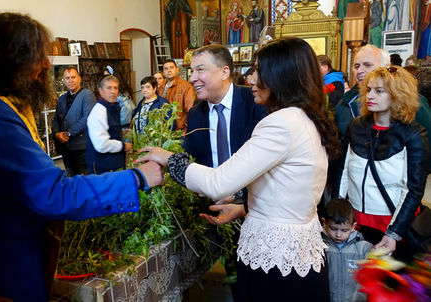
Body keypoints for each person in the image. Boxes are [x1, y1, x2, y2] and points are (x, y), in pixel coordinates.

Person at [137, 38, 339, 301]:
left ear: (280, 76)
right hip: (293, 248)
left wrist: (170, 159)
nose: (251, 78)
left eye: (257, 70)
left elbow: (218, 183)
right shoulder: (302, 116)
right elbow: (286, 190)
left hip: (276, 262)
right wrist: (246, 207)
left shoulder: (280, 123)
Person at [0, 12, 163, 302]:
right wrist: (137, 177)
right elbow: (53, 193)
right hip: (6, 263)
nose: (45, 65)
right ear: (11, 60)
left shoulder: (0, 105)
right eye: (38, 57)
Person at [183, 44, 267, 300]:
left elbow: (267, 162)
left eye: (200, 69)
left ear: (224, 71)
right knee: (235, 279)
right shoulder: (196, 114)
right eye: (190, 71)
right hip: (218, 213)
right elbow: (195, 162)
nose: (192, 77)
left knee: (258, 281)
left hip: (256, 209)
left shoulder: (254, 102)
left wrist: (240, 194)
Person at [337, 66, 429, 258]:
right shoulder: (356, 126)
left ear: (397, 95)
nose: (370, 95)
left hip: (392, 223)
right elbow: (343, 173)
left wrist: (394, 233)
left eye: (379, 91)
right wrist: (338, 214)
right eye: (369, 89)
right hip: (354, 222)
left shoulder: (413, 134)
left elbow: (412, 190)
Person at [334, 44, 431, 173]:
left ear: (386, 68)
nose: (360, 70)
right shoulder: (345, 102)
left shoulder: (413, 102)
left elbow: (425, 154)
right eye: (356, 66)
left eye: (367, 65)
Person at [321, 198, 372, 302]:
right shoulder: (320, 246)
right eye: (333, 229)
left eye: (344, 230)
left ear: (353, 227)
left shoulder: (364, 249)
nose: (338, 235)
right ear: (324, 223)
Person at [52, 67, 96, 176]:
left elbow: (87, 118)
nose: (70, 80)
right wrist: (56, 134)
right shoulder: (61, 99)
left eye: (73, 77)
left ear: (79, 79)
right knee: (71, 178)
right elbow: (56, 119)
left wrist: (69, 133)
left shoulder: (87, 95)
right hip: (66, 148)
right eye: (67, 78)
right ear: (63, 80)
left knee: (86, 179)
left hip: (82, 148)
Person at [85, 75, 132, 174]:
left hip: (114, 165)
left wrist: (120, 132)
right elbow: (101, 145)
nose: (113, 91)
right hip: (102, 168)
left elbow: (108, 130)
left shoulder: (112, 107)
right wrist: (123, 146)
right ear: (100, 90)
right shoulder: (99, 111)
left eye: (115, 88)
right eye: (109, 88)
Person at [161, 59, 196, 131]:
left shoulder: (186, 86)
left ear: (177, 70)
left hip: (178, 130)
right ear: (163, 72)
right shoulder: (161, 86)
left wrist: (186, 130)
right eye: (166, 68)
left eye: (171, 67)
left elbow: (191, 111)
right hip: (163, 129)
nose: (169, 70)